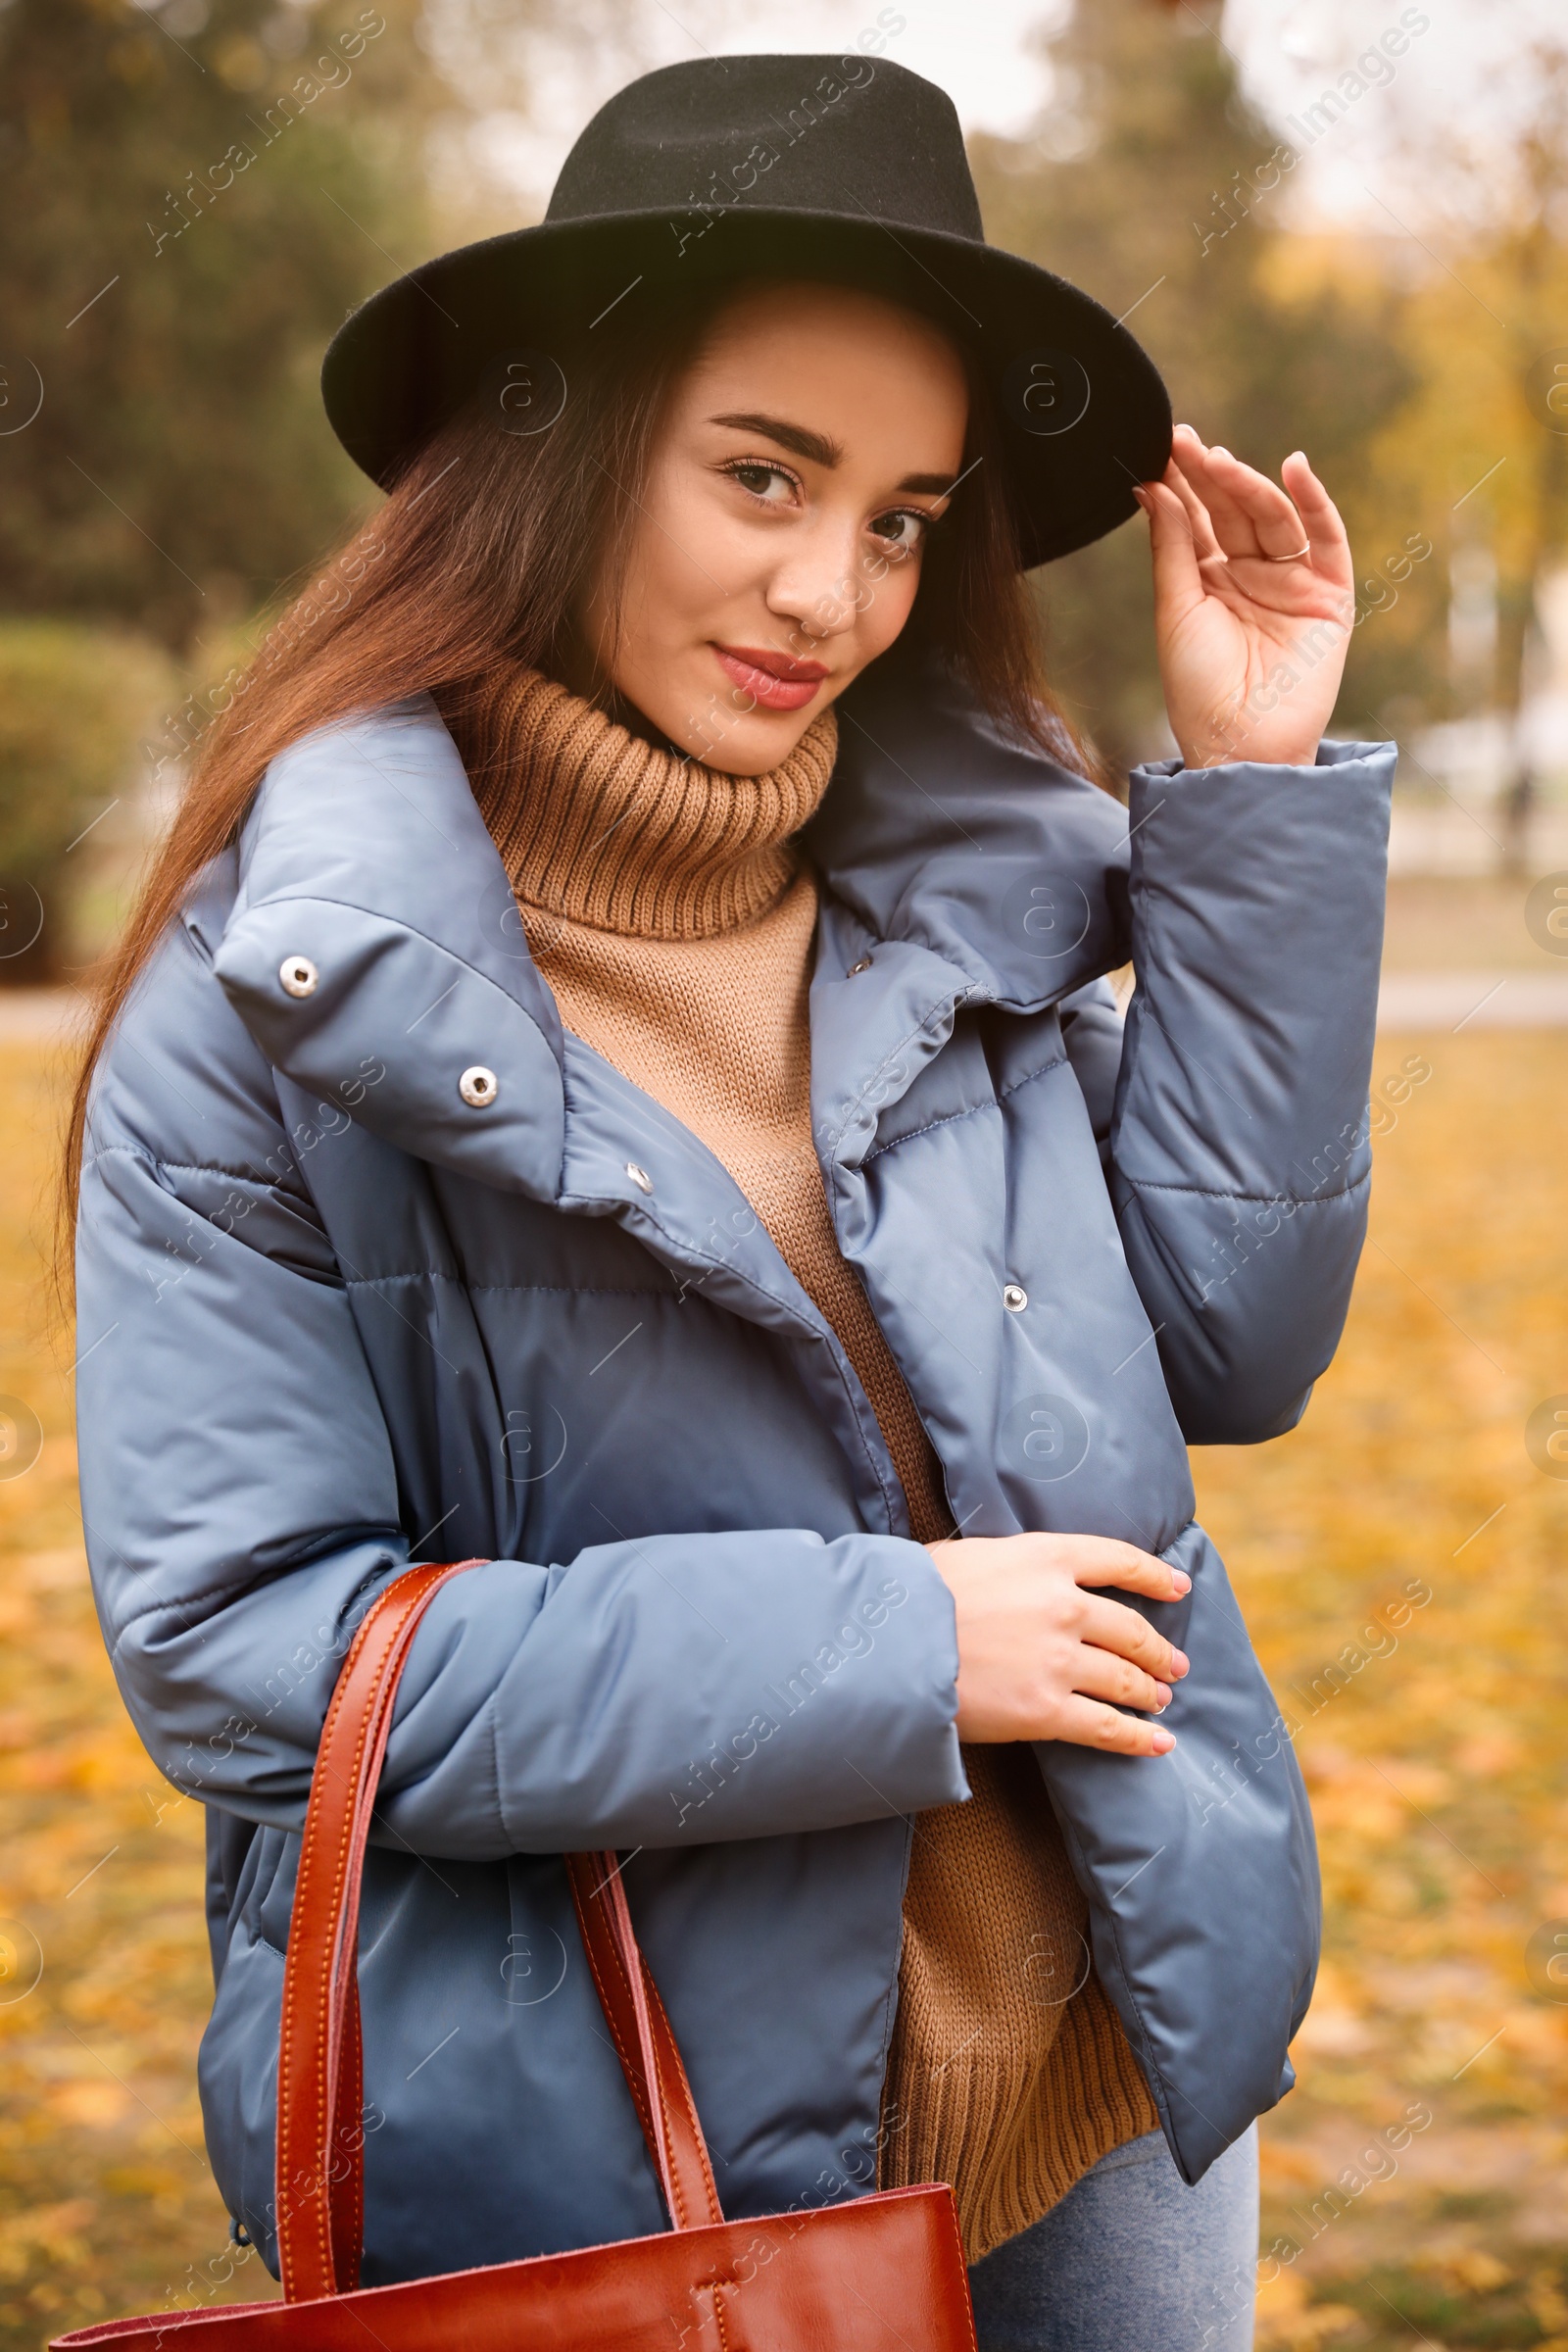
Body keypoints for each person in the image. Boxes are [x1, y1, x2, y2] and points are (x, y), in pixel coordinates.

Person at [68, 54, 1393, 2351]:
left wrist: (1252, 801)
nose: (828, 590)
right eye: (760, 476)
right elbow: (250, 1657)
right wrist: (896, 1645)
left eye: (900, 516)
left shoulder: (946, 910)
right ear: (559, 454)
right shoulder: (271, 1014)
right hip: (631, 2165)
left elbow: (1228, 1343)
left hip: (1096, 2079)